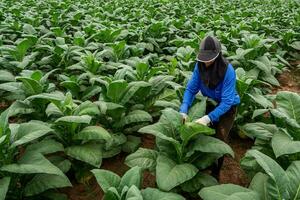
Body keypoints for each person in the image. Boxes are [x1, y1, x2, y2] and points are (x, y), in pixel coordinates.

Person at [179, 35, 240, 179]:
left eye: (209, 58)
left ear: (218, 55)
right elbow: (190, 89)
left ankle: (215, 173)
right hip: (211, 101)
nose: (206, 62)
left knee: (218, 140)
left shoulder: (228, 71)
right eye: (204, 58)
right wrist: (184, 109)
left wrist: (208, 118)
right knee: (203, 135)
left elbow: (226, 102)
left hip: (228, 106)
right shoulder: (199, 66)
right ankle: (201, 164)